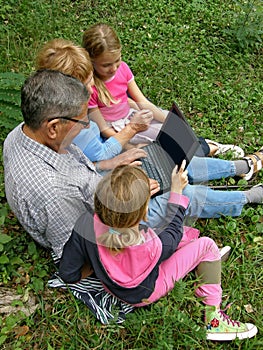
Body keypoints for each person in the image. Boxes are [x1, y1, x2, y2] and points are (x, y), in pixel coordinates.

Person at [3, 69, 263, 261]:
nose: (88, 128)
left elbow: (80, 167)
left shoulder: (24, 131)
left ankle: (242, 167)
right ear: (53, 127)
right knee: (185, 193)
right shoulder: (54, 194)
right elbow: (79, 248)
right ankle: (248, 198)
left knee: (167, 161)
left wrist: (115, 163)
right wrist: (131, 199)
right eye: (82, 123)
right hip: (110, 215)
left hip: (99, 183)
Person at [58, 164, 257, 341]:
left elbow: (68, 273)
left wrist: (92, 268)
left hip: (114, 288)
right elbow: (174, 229)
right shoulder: (152, 244)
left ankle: (200, 264)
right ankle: (214, 321)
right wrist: (177, 191)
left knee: (187, 238)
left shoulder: (84, 224)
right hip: (146, 293)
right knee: (206, 245)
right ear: (145, 212)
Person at [82, 23, 244, 157]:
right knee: (166, 147)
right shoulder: (91, 88)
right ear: (91, 61)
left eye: (117, 60)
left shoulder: (123, 69)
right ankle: (210, 149)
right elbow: (104, 130)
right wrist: (128, 145)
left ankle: (208, 146)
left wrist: (170, 121)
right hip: (120, 129)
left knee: (175, 132)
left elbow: (142, 101)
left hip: (133, 113)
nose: (113, 68)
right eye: (106, 65)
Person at [36, 38, 154, 161]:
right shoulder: (72, 123)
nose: (92, 89)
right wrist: (133, 128)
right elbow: (101, 154)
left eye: (91, 78)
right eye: (86, 84)